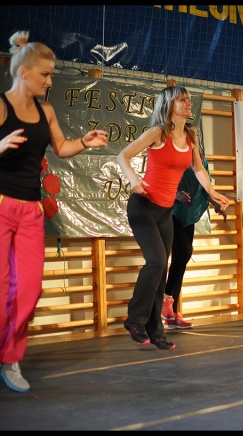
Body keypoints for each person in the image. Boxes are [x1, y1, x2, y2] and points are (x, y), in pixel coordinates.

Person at [0, 30, 108, 392]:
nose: (49, 81)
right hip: (1, 206)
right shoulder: (1, 106)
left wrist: (85, 142)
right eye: (45, 74)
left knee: (29, 291)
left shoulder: (45, 111)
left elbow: (60, 148)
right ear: (23, 72)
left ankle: (10, 359)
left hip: (30, 211)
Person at [117, 85, 230, 349]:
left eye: (189, 100)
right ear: (169, 105)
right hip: (143, 207)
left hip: (165, 212)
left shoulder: (190, 135)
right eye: (183, 100)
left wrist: (213, 192)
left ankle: (157, 332)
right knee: (156, 261)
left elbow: (198, 169)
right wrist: (133, 179)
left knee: (162, 272)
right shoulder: (158, 133)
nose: (189, 104)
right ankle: (135, 319)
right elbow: (123, 156)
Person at [162, 152, 227, 329]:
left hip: (188, 213)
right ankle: (165, 298)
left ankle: (172, 314)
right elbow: (159, 183)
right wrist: (174, 194)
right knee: (184, 251)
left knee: (181, 260)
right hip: (170, 211)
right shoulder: (173, 155)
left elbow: (205, 188)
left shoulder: (201, 160)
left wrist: (217, 204)